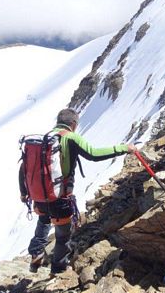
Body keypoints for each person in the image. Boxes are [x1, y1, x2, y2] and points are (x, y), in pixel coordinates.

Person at [20, 108, 136, 275]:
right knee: (62, 236)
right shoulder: (71, 138)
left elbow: (23, 168)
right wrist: (124, 148)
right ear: (73, 124)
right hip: (60, 197)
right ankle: (58, 271)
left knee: (44, 220)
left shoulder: (44, 140)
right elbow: (93, 154)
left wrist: (24, 192)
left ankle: (36, 252)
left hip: (40, 195)